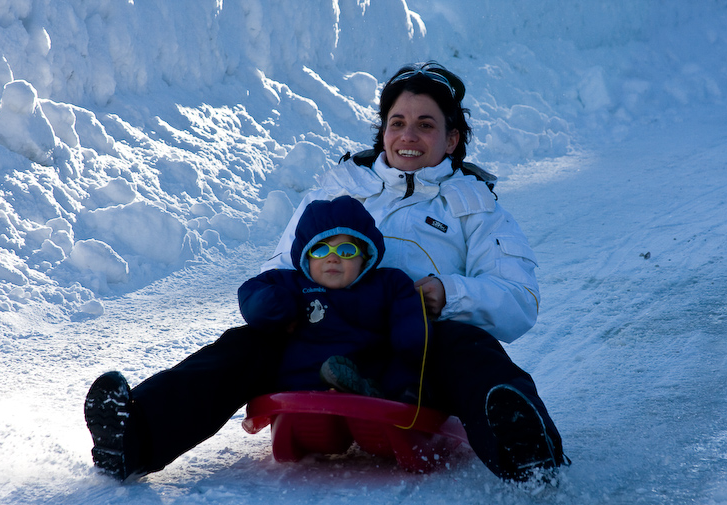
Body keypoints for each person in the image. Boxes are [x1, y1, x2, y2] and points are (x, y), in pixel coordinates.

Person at [84, 61, 568, 483]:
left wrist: (451, 293)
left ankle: (525, 448)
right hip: (323, 331)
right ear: (382, 131)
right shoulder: (342, 186)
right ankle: (135, 435)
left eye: (426, 124)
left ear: (452, 137)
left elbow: (518, 298)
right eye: (397, 122)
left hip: (416, 345)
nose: (408, 136)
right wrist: (285, 304)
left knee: (472, 350)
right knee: (243, 348)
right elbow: (282, 264)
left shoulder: (475, 205)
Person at [237, 195, 429, 400]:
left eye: (346, 250)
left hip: (370, 375)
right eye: (320, 250)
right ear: (306, 255)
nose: (332, 258)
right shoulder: (294, 283)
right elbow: (250, 291)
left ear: (364, 257)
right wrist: (274, 304)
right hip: (302, 385)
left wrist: (411, 337)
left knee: (404, 369)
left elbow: (408, 308)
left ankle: (396, 398)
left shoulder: (386, 283)